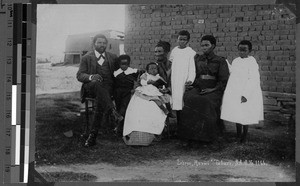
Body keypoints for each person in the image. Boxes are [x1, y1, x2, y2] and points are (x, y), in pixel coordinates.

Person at [178, 35, 230, 144]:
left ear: (213, 46)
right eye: (202, 45)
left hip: (214, 89)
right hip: (199, 86)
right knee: (188, 97)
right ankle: (189, 135)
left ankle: (208, 136)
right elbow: (193, 74)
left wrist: (212, 89)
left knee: (205, 101)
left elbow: (223, 80)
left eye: (207, 45)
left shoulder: (220, 60)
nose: (204, 48)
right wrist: (190, 83)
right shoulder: (197, 59)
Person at [76, 34, 123, 147]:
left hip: (108, 88)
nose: (102, 45)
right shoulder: (87, 57)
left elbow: (119, 72)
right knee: (97, 85)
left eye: (104, 43)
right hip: (91, 87)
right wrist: (91, 77)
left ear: (107, 44)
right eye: (99, 42)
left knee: (100, 100)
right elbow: (80, 75)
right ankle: (112, 110)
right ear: (94, 44)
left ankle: (93, 135)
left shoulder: (112, 57)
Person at [122, 41, 172, 145]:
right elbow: (141, 83)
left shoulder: (171, 66)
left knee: (154, 106)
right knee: (140, 106)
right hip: (147, 93)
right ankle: (140, 134)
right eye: (155, 51)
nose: (157, 54)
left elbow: (171, 82)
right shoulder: (152, 67)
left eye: (160, 51)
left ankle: (156, 132)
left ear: (166, 52)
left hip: (164, 92)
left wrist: (168, 89)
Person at [221, 40, 264, 143]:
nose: (242, 52)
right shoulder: (236, 60)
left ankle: (244, 136)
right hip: (236, 90)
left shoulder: (252, 62)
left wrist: (246, 94)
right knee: (237, 114)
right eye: (240, 50)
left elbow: (253, 79)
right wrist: (226, 62)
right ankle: (238, 135)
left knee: (245, 115)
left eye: (244, 50)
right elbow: (232, 71)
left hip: (246, 92)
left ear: (249, 50)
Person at [169, 30, 196, 125]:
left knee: (184, 101)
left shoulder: (191, 52)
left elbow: (192, 68)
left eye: (184, 40)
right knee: (176, 102)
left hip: (184, 78)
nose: (182, 41)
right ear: (177, 39)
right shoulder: (174, 51)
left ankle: (185, 125)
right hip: (175, 78)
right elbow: (171, 64)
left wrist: (190, 79)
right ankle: (179, 124)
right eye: (180, 39)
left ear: (188, 41)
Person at [113, 54, 140, 134]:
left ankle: (121, 126)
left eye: (126, 64)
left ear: (129, 64)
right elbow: (113, 84)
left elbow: (139, 80)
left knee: (125, 107)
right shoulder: (116, 73)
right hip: (117, 92)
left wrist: (134, 88)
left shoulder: (133, 72)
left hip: (128, 92)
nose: (124, 66)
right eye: (122, 64)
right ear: (119, 64)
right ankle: (119, 126)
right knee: (118, 107)